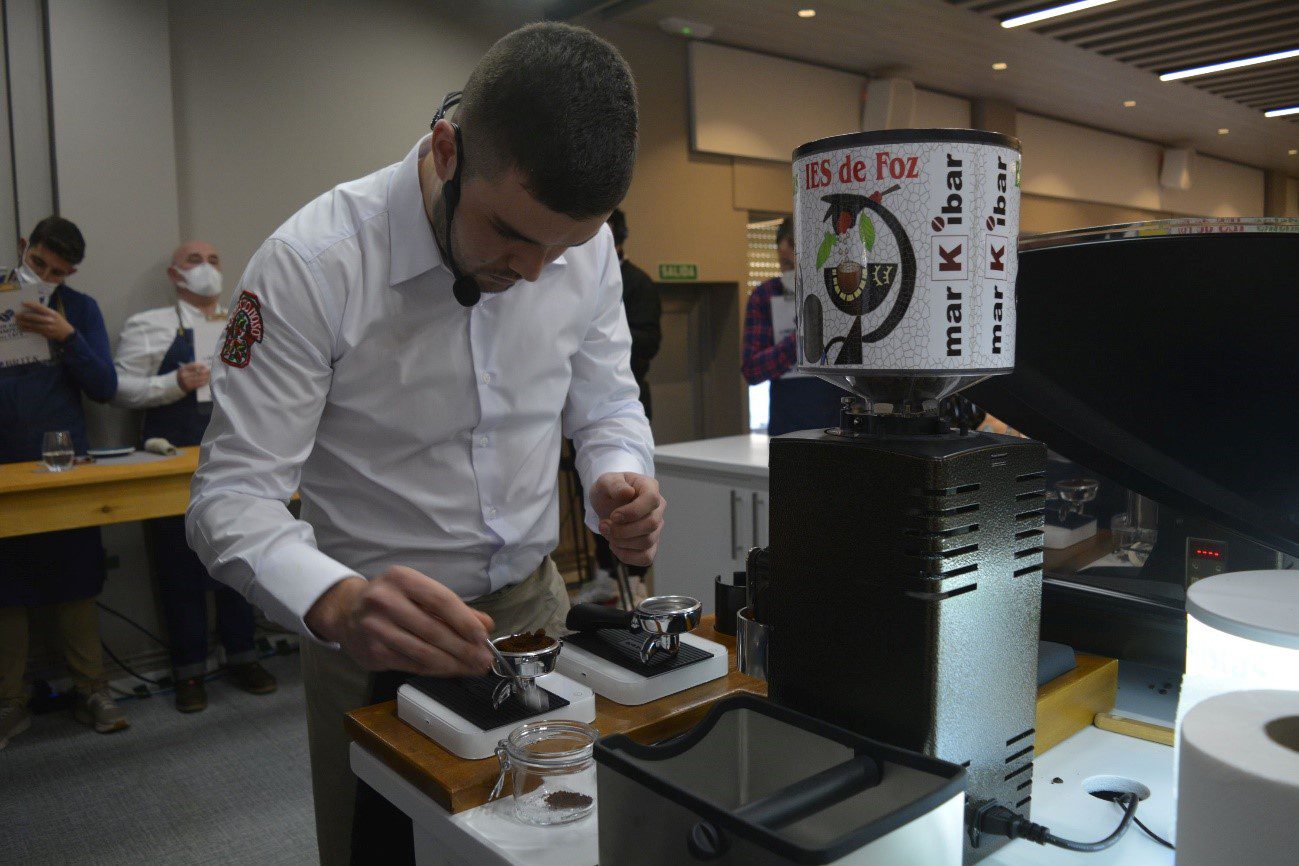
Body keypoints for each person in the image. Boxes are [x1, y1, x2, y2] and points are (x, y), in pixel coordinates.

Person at [185, 23, 661, 864]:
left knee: (554, 846)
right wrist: (332, 602)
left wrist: (618, 477)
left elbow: (608, 405)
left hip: (533, 614)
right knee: (382, 850)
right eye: (509, 235)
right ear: (446, 149)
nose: (536, 272)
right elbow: (231, 499)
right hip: (372, 633)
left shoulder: (571, 255)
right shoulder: (313, 264)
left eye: (568, 246)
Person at [112, 241, 277, 713]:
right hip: (172, 461)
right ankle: (189, 670)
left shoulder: (242, 324)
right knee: (178, 566)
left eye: (213, 260)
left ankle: (243, 654)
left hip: (236, 456)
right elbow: (117, 388)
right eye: (193, 261)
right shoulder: (151, 326)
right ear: (173, 274)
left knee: (239, 555)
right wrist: (172, 384)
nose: (206, 268)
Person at [0, 216, 126, 749]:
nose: (45, 277)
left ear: (70, 272)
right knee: (7, 594)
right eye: (38, 265)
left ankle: (92, 690)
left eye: (57, 272)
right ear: (24, 248)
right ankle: (10, 704)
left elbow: (105, 386)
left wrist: (67, 337)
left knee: (77, 583)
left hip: (66, 466)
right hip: (4, 468)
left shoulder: (80, 309)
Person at [578, 208, 661, 602]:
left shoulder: (639, 282)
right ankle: (605, 572)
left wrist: (616, 342)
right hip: (587, 401)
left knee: (628, 491)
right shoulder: (570, 264)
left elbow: (647, 341)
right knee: (597, 489)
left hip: (631, 389)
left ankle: (635, 579)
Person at [741, 217, 845, 435]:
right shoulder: (765, 295)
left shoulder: (837, 290)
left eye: (796, 261)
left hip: (837, 421)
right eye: (786, 264)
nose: (791, 270)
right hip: (788, 425)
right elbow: (752, 370)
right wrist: (800, 339)